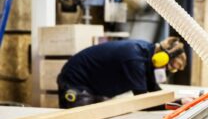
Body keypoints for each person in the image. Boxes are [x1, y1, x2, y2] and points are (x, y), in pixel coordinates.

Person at [57, 37, 187, 109]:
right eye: (171, 66)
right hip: (77, 82)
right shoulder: (135, 59)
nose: (169, 71)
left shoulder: (146, 54)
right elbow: (143, 102)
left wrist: (180, 100)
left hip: (96, 88)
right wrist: (179, 104)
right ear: (162, 57)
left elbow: (153, 90)